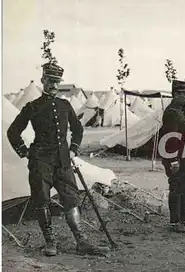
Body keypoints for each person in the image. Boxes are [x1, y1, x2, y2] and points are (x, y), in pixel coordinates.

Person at [7, 62, 109, 256]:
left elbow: (78, 129)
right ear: (42, 80)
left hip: (63, 162)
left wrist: (73, 150)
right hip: (40, 163)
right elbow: (13, 131)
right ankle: (50, 242)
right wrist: (25, 152)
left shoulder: (64, 105)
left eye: (57, 81)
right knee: (42, 200)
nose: (53, 85)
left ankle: (81, 241)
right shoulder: (32, 107)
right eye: (50, 81)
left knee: (71, 200)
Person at [158, 80, 185, 233]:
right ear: (176, 94)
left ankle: (184, 219)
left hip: (184, 156)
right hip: (175, 157)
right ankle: (175, 222)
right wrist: (173, 160)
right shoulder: (171, 113)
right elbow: (171, 139)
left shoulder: (179, 111)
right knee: (176, 187)